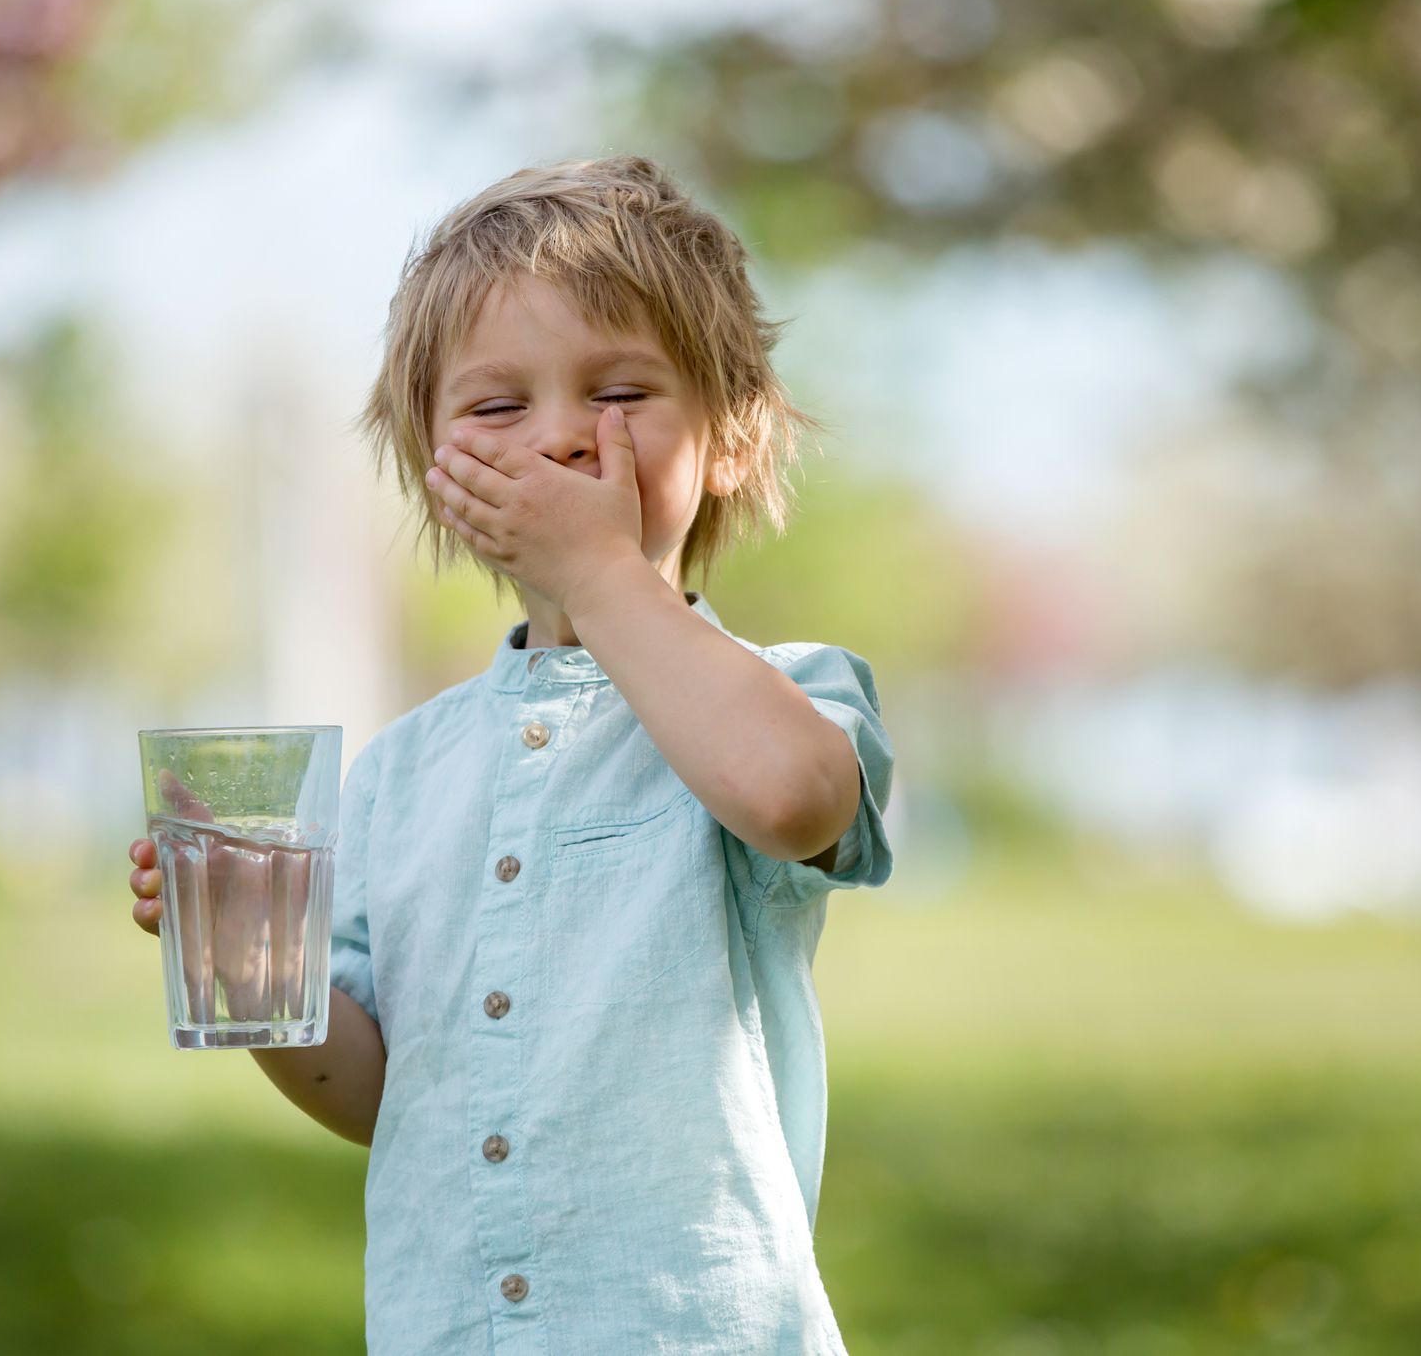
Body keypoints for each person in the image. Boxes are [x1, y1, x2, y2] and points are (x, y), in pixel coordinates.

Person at [125, 154, 895, 1353]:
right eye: (496, 408)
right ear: (434, 468)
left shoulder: (786, 695)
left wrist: (599, 566)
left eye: (620, 391)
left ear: (732, 437)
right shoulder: (399, 775)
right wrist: (258, 967)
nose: (562, 439)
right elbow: (386, 1092)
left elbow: (793, 799)